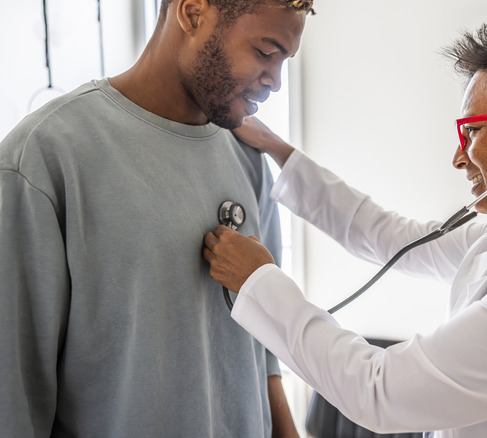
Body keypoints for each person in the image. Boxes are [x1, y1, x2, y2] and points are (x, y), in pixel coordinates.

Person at [203, 5, 487, 438]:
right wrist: (281, 152)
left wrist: (259, 280)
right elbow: (390, 237)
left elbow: (378, 391)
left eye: (472, 130)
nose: (459, 157)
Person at [0, 0, 313, 436]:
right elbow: (16, 395)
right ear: (192, 13)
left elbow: (264, 350)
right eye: (264, 52)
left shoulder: (248, 158)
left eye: (285, 60)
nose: (275, 82)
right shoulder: (45, 158)